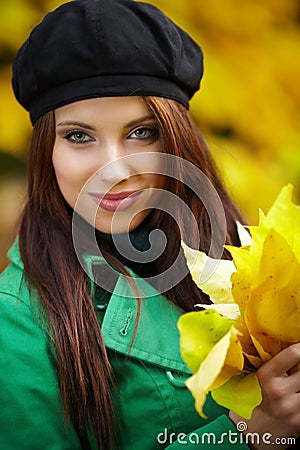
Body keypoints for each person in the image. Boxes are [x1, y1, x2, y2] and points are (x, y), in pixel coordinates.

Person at [0, 0, 299, 449]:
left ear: (179, 140)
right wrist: (246, 436)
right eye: (79, 136)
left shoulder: (255, 257)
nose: (114, 168)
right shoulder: (16, 322)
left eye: (142, 132)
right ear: (46, 151)